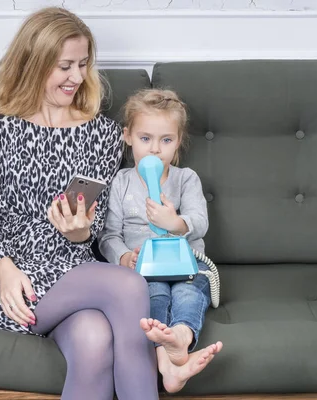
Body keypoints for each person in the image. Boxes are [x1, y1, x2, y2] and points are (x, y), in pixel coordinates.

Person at [0, 8, 218, 399]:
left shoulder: (100, 132)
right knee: (127, 285)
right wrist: (3, 271)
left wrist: (80, 229)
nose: (77, 77)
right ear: (33, 63)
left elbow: (96, 224)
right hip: (14, 282)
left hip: (76, 273)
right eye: (64, 65)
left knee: (94, 339)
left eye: (83, 64)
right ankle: (162, 368)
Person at [98, 88, 223, 387]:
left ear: (178, 141)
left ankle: (182, 336)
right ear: (127, 136)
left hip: (188, 264)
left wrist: (176, 222)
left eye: (166, 140)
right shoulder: (121, 182)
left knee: (188, 294)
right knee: (153, 297)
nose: (155, 150)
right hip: (144, 270)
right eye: (145, 139)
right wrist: (123, 256)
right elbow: (108, 234)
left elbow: (200, 223)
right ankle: (168, 365)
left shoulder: (186, 179)